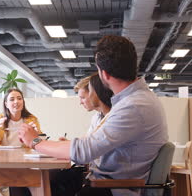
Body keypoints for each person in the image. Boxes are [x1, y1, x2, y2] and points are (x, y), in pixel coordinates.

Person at [18, 35, 168, 196]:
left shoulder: (133, 106)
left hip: (112, 189)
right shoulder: (136, 100)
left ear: (104, 74)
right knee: (38, 183)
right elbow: (88, 145)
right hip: (106, 183)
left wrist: (35, 141)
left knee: (31, 185)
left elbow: (84, 152)